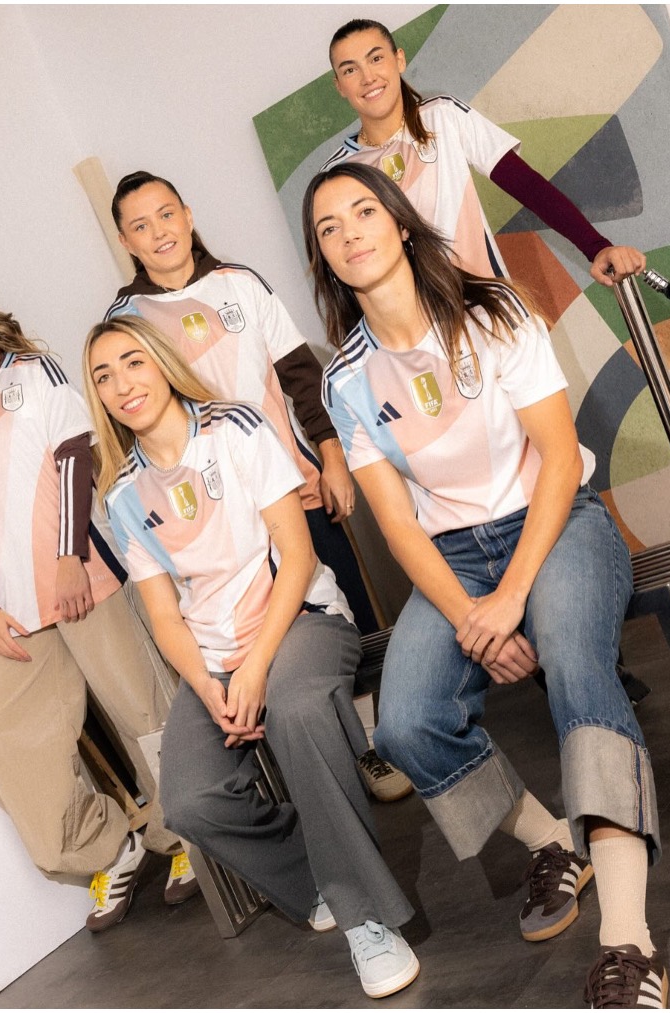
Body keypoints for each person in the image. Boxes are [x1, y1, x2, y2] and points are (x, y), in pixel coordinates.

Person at [306, 162, 664, 1008]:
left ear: (398, 223)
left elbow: (553, 454)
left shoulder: (492, 311)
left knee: (578, 671)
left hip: (555, 518)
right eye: (328, 226)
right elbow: (395, 522)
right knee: (406, 722)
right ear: (323, 259)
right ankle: (553, 843)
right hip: (454, 558)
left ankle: (630, 939)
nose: (350, 230)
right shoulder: (345, 378)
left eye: (364, 210)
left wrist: (513, 601)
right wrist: (477, 614)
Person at [84, 314, 419, 999]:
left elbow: (297, 554)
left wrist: (256, 669)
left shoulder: (233, 427)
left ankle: (368, 918)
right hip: (215, 659)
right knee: (190, 800)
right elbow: (163, 616)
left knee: (296, 710)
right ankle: (318, 871)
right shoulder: (123, 494)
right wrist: (212, 690)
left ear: (159, 362)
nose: (122, 384)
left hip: (301, 620)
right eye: (103, 376)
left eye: (131, 363)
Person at [0, 269, 194, 932]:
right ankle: (110, 846)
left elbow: (74, 461)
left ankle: (187, 838)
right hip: (11, 613)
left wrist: (67, 558)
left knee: (144, 710)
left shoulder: (36, 373)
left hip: (81, 579)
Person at [101, 170, 411, 805]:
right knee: (275, 635)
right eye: (140, 225)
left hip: (292, 486)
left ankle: (383, 741)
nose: (158, 232)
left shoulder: (240, 283)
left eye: (166, 215)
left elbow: (298, 371)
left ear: (187, 214)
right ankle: (338, 755)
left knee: (343, 608)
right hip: (219, 516)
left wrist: (329, 452)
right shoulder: (126, 321)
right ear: (127, 241)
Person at [322, 18, 647, 287]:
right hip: (421, 341)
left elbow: (529, 187)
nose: (368, 77)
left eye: (376, 58)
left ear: (399, 60)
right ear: (339, 86)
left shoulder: (443, 116)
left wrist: (597, 247)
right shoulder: (340, 173)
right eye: (350, 70)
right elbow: (348, 272)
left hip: (495, 312)